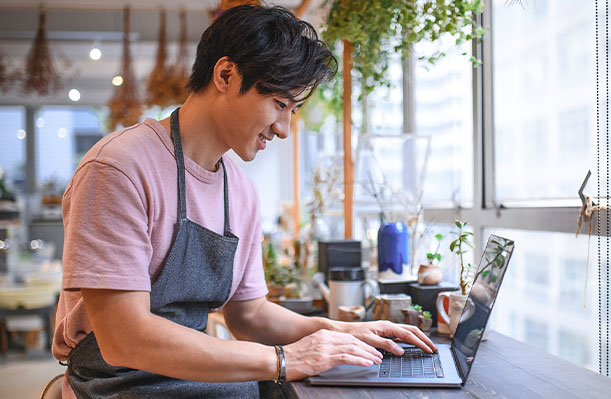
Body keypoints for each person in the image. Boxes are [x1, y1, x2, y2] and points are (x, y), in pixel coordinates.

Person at [52, 5, 437, 399]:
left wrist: (340, 330)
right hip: (116, 385)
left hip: (198, 381)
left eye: (293, 110)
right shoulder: (119, 168)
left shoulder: (239, 189)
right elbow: (124, 338)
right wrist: (285, 360)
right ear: (225, 75)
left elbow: (249, 315)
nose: (284, 129)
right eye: (279, 104)